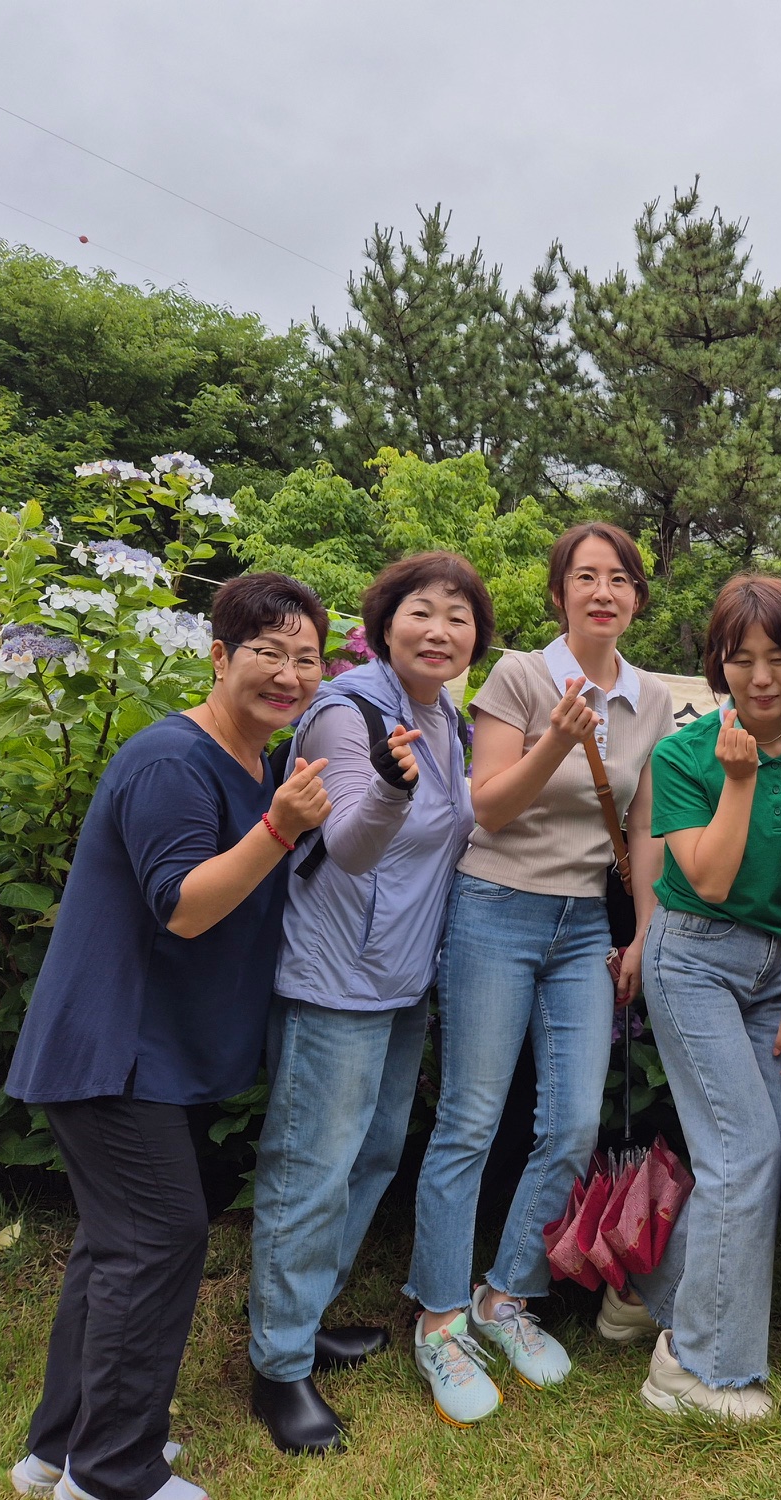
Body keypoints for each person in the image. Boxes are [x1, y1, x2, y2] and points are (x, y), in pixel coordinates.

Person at [4, 573, 332, 1500]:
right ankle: (112, 1475)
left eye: (305, 658)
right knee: (157, 1239)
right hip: (114, 1049)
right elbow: (184, 907)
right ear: (219, 656)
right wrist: (279, 827)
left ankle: (59, 1452)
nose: (288, 674)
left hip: (149, 1052)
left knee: (117, 1248)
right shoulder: (171, 762)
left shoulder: (256, 763)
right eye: (266, 652)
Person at [403, 522, 673, 1426]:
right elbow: (490, 805)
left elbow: (641, 829)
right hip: (496, 907)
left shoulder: (654, 699)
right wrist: (559, 739)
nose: (604, 591)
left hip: (585, 923)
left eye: (620, 578)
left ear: (637, 597)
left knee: (572, 1121)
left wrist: (642, 933)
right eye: (584, 577)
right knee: (472, 1118)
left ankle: (505, 1296)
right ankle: (439, 1320)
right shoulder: (519, 675)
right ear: (559, 593)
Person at [245, 553, 490, 1454]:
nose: (441, 630)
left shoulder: (444, 716)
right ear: (385, 622)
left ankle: (302, 1325)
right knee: (312, 1169)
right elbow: (346, 846)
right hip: (333, 980)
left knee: (372, 1157)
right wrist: (392, 789)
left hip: (401, 980)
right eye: (422, 612)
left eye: (460, 619)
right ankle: (277, 1370)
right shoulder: (346, 713)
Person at [626, 575, 781, 1421]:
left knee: (766, 1152)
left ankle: (656, 1291)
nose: (760, 677)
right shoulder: (684, 758)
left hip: (771, 975)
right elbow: (710, 882)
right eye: (740, 658)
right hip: (692, 960)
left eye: (778, 658)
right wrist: (741, 782)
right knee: (743, 1149)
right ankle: (693, 1367)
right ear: (716, 664)